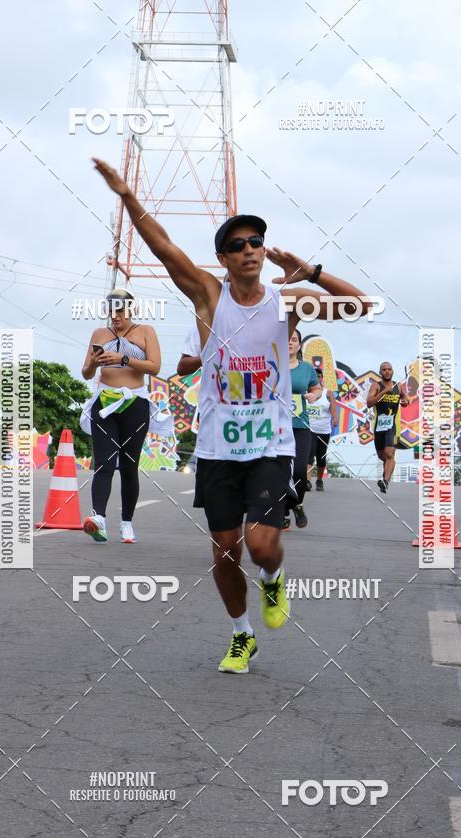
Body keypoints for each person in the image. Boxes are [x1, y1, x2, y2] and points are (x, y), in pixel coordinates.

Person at [93, 156, 370, 673]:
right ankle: (242, 634)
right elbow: (164, 248)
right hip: (218, 448)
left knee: (262, 548)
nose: (249, 250)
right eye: (238, 244)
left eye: (256, 242)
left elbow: (362, 306)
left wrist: (311, 272)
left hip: (270, 444)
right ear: (223, 257)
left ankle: (272, 579)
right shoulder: (208, 295)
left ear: (264, 252)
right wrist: (128, 196)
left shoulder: (288, 302)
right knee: (224, 552)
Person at [80, 289, 161, 543]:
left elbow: (155, 367)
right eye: (110, 311)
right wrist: (94, 363)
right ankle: (99, 519)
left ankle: (127, 523)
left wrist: (124, 358)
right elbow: (86, 372)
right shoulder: (99, 334)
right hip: (105, 402)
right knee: (104, 462)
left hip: (134, 402)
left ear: (131, 310)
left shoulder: (145, 331)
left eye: (120, 310)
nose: (114, 316)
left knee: (128, 466)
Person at [283, 330, 322, 529]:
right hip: (275, 427)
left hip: (300, 426)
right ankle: (283, 513)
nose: (290, 342)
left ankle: (296, 504)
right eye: (287, 339)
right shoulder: (273, 365)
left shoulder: (306, 368)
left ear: (299, 345)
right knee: (278, 472)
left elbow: (317, 388)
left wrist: (315, 395)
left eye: (294, 340)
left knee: (299, 470)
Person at [366, 362, 409, 493]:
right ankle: (386, 475)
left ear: (392, 371)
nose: (387, 371)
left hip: (392, 426)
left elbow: (405, 398)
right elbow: (369, 403)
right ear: (380, 372)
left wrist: (405, 401)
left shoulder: (398, 386)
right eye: (384, 369)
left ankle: (385, 481)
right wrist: (383, 392)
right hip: (379, 426)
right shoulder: (376, 386)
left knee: (390, 454)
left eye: (389, 369)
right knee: (382, 456)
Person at [307, 367, 337, 492]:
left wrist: (335, 418)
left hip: (324, 430)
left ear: (322, 378)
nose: (317, 378)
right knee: (309, 454)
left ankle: (319, 480)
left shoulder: (328, 393)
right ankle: (307, 481)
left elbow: (333, 409)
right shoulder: (305, 392)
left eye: (319, 376)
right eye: (314, 376)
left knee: (321, 456)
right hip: (309, 429)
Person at [177, 323, 202, 471]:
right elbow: (182, 367)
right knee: (210, 473)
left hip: (252, 410)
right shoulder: (203, 326)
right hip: (213, 410)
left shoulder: (259, 321)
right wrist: (207, 355)